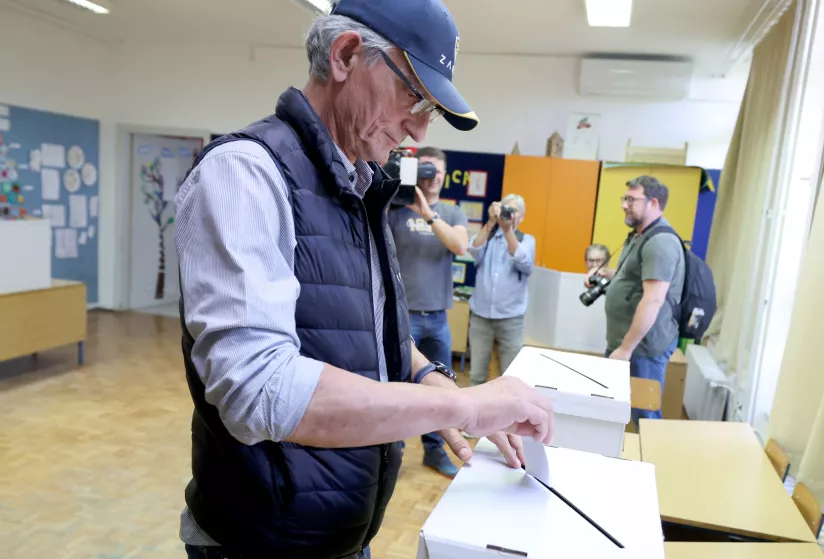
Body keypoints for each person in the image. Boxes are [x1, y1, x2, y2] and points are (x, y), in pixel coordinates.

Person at [173, 2, 555, 558]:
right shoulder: (246, 174)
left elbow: (367, 334)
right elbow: (255, 388)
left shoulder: (360, 188)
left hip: (341, 536)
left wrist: (432, 379)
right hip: (261, 543)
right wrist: (465, 407)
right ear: (347, 55)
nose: (420, 127)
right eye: (414, 96)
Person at [388, 146, 469, 477]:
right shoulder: (394, 209)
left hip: (437, 317)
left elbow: (460, 245)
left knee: (440, 389)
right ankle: (391, 451)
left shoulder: (451, 214)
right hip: (399, 318)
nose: (432, 176)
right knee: (393, 387)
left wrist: (427, 213)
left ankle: (434, 451)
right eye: (425, 169)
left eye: (437, 171)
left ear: (444, 176)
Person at [592, 175, 685, 422]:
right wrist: (607, 274)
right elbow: (635, 277)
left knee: (645, 414)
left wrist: (625, 349)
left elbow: (654, 299)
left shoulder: (661, 242)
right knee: (615, 410)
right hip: (627, 344)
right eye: (625, 198)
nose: (624, 204)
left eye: (631, 199)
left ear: (653, 203)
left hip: (642, 348)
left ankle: (649, 460)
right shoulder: (639, 235)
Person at [466, 195, 536, 387]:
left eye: (513, 210)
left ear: (521, 216)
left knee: (511, 377)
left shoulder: (527, 240)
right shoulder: (489, 236)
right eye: (505, 208)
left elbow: (525, 263)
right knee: (477, 376)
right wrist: (490, 222)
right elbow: (473, 249)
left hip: (511, 319)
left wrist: (508, 232)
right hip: (481, 316)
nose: (507, 213)